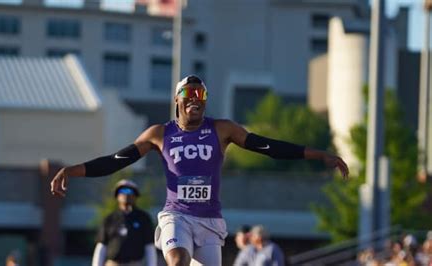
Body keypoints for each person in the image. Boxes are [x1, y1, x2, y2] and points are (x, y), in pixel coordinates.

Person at [50, 75, 349, 266]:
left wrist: (317, 154)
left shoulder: (221, 129)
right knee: (178, 260)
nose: (196, 99)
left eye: (202, 95)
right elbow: (117, 160)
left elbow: (266, 146)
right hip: (176, 215)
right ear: (178, 99)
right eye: (190, 93)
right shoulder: (159, 134)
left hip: (209, 221)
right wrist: (71, 171)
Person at [92, 179, 156, 266]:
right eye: (122, 191)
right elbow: (101, 246)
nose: (126, 194)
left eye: (129, 191)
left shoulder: (144, 218)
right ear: (117, 195)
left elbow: (149, 246)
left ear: (135, 195)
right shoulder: (109, 219)